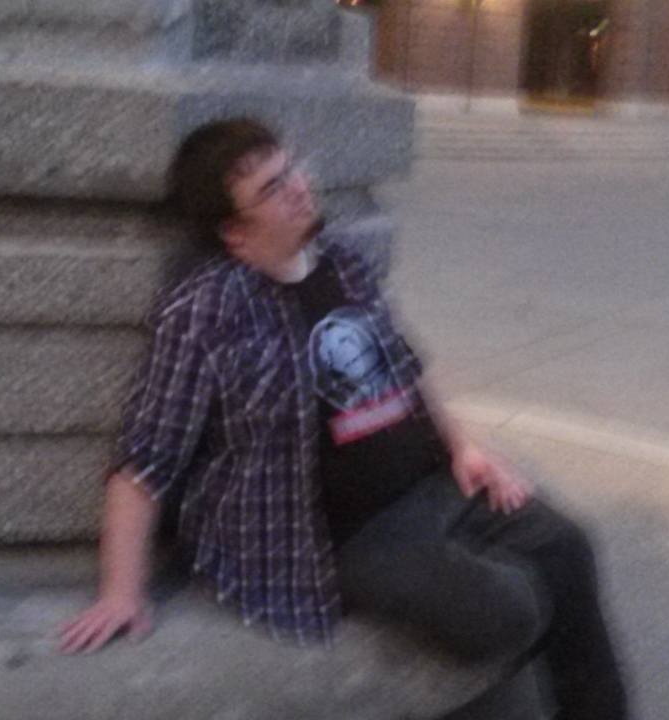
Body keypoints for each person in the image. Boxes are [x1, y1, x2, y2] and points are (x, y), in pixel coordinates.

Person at [58, 117, 629, 719]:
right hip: (346, 534)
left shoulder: (343, 263)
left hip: (432, 483)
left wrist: (465, 449)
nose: (299, 188)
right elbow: (147, 454)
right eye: (272, 189)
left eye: (291, 170)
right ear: (236, 233)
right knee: (508, 613)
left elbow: (405, 369)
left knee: (567, 546)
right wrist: (121, 592)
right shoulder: (207, 311)